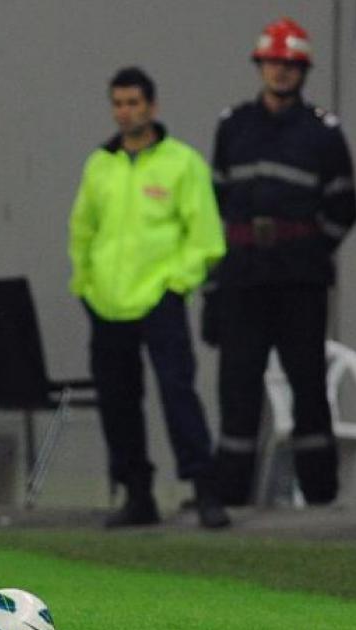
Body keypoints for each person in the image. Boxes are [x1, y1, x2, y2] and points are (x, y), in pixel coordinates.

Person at [69, 67, 230, 529]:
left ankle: (204, 490)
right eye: (118, 103)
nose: (125, 112)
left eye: (134, 103)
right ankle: (137, 494)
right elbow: (82, 230)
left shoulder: (182, 163)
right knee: (118, 402)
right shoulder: (100, 164)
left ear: (153, 107)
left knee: (178, 394)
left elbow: (206, 239)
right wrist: (84, 283)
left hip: (160, 297)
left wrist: (175, 283)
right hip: (106, 301)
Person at [207, 18, 356, 506]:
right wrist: (215, 286)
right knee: (238, 391)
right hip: (244, 280)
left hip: (299, 283)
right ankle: (230, 498)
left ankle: (320, 497)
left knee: (309, 389)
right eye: (274, 63)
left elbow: (344, 209)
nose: (281, 73)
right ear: (261, 66)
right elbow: (217, 207)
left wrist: (308, 251)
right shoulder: (234, 127)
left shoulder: (323, 133)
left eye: (290, 65)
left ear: (303, 71)